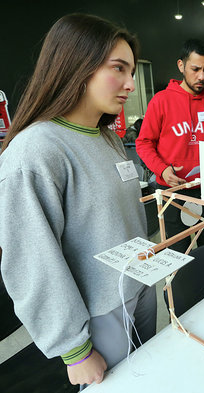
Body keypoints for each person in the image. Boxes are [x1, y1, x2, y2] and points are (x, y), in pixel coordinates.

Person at [0, 14, 156, 387]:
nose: (131, 84)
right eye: (118, 68)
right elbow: (31, 261)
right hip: (99, 312)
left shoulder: (107, 138)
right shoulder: (35, 152)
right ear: (76, 64)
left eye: (131, 71)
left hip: (140, 288)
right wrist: (75, 349)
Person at [136, 39, 204, 253]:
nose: (201, 76)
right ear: (181, 66)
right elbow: (143, 143)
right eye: (195, 69)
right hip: (171, 192)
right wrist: (162, 169)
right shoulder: (161, 101)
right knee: (176, 254)